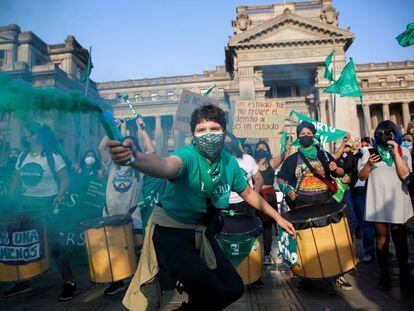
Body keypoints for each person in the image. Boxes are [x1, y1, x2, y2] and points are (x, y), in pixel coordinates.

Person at [107, 104, 295, 311]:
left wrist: (278, 217)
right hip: (172, 233)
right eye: (201, 130)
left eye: (214, 129)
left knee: (233, 288)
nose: (208, 134)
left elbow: (249, 193)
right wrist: (134, 159)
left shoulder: (229, 162)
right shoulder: (187, 155)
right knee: (211, 292)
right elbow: (166, 165)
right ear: (193, 135)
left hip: (202, 233)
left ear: (224, 133)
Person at [276, 121, 353, 291]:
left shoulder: (324, 155)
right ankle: (306, 275)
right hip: (302, 205)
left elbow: (339, 173)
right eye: (302, 134)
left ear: (313, 134)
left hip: (325, 202)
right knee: (306, 241)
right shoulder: (291, 160)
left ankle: (338, 274)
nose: (305, 136)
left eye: (308, 133)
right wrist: (286, 188)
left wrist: (336, 168)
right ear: (298, 137)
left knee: (331, 240)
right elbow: (280, 177)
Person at [4, 122, 76, 301]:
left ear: (35, 136)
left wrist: (59, 196)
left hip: (47, 205)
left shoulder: (52, 156)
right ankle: (23, 282)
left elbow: (65, 180)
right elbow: (16, 179)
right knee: (22, 245)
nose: (24, 136)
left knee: (54, 245)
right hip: (26, 205)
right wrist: (11, 197)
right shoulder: (22, 157)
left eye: (26, 133)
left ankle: (69, 283)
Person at [98, 116, 155, 296]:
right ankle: (117, 282)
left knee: (138, 248)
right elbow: (102, 147)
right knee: (112, 250)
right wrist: (113, 127)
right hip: (109, 214)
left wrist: (143, 130)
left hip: (131, 215)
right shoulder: (111, 166)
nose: (121, 151)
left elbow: (151, 152)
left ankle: (142, 280)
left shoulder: (137, 166)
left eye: (125, 148)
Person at [358, 120, 413, 289]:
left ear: (394, 133)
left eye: (388, 132)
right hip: (378, 199)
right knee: (381, 239)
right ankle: (384, 274)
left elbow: (405, 174)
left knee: (400, 238)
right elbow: (361, 177)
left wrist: (396, 152)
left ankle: (404, 273)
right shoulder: (369, 152)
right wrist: (368, 165)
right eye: (380, 133)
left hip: (398, 199)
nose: (384, 135)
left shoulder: (404, 151)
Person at [254, 140, 286, 265]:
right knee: (258, 224)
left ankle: (270, 253)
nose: (261, 149)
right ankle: (258, 252)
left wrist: (286, 143)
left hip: (269, 195)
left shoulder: (271, 162)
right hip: (256, 196)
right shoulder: (252, 163)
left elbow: (283, 156)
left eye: (264, 148)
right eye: (259, 148)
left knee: (270, 225)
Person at [351, 137, 375, 263]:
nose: (364, 146)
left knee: (380, 222)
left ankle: (384, 250)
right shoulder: (356, 157)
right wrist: (352, 152)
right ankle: (369, 250)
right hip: (360, 191)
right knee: (365, 222)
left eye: (367, 144)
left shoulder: (376, 153)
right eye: (362, 144)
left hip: (375, 190)